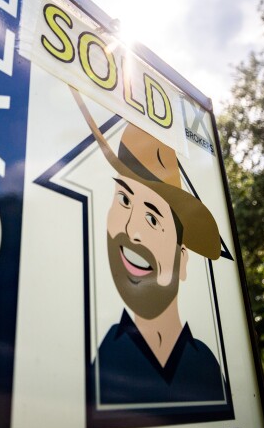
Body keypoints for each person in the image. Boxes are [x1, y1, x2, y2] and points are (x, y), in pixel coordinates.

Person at [73, 89, 226, 405]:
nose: (131, 230)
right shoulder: (104, 361)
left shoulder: (208, 367)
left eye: (153, 218)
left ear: (183, 261)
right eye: (124, 200)